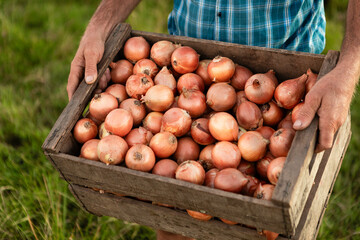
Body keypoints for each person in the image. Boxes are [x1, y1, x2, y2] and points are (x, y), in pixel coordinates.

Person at [67, 1, 360, 239]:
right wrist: (99, 27)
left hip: (287, 59)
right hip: (186, 56)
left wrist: (349, 65)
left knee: (267, 223)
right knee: (175, 218)